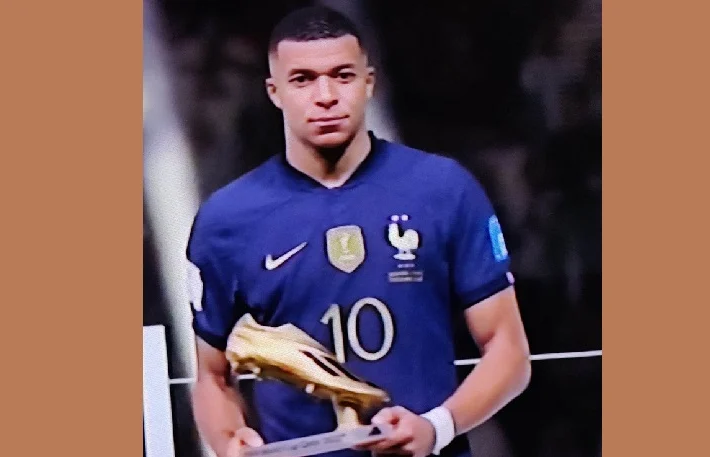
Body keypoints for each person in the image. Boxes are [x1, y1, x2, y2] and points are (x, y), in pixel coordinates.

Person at [186, 6, 531, 457]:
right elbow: (212, 376)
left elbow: (509, 352)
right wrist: (230, 441)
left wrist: (436, 428)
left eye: (342, 76)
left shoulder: (443, 190)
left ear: (369, 82)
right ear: (275, 92)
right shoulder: (226, 219)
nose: (326, 96)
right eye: (303, 79)